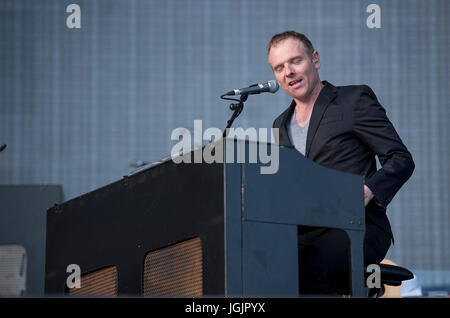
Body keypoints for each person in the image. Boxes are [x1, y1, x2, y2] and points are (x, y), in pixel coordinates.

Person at [268, 31, 415, 295]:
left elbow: (401, 159)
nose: (288, 71)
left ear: (315, 59)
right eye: (279, 67)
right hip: (305, 232)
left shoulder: (353, 101)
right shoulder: (279, 125)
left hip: (357, 227)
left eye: (295, 61)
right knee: (260, 264)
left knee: (308, 264)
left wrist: (366, 192)